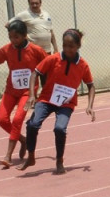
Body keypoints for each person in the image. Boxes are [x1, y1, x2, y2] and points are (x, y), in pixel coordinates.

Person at [22, 28, 95, 174]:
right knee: (33, 125)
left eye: (71, 46)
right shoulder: (53, 59)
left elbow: (91, 85)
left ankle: (59, 160)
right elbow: (35, 73)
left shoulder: (83, 65)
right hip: (46, 99)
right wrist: (32, 95)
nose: (67, 49)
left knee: (60, 129)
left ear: (78, 46)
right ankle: (31, 156)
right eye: (65, 45)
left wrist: (90, 105)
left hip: (66, 103)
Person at [0, 19, 49, 167]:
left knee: (17, 120)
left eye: (16, 37)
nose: (13, 40)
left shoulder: (36, 51)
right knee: (2, 120)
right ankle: (22, 140)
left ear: (24, 35)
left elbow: (46, 69)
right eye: (10, 37)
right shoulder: (6, 50)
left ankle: (8, 155)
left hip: (27, 94)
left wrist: (43, 91)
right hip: (10, 91)